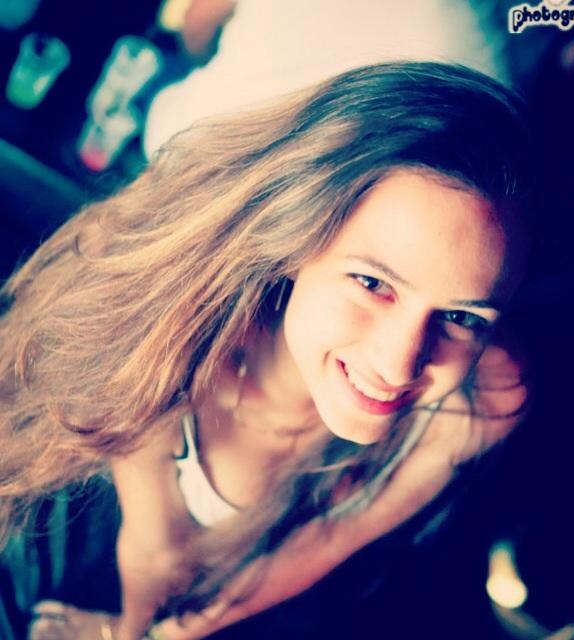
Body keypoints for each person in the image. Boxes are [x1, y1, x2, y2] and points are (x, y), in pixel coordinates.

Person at [0, 61, 532, 640]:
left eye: (461, 317)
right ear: (297, 237)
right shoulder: (174, 312)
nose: (399, 364)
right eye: (372, 283)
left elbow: (328, 543)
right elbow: (154, 551)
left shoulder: (488, 399)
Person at [143, 0, 507, 157]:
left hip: (186, 148)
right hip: (311, 240)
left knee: (154, 59)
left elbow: (195, 31)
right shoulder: (483, 45)